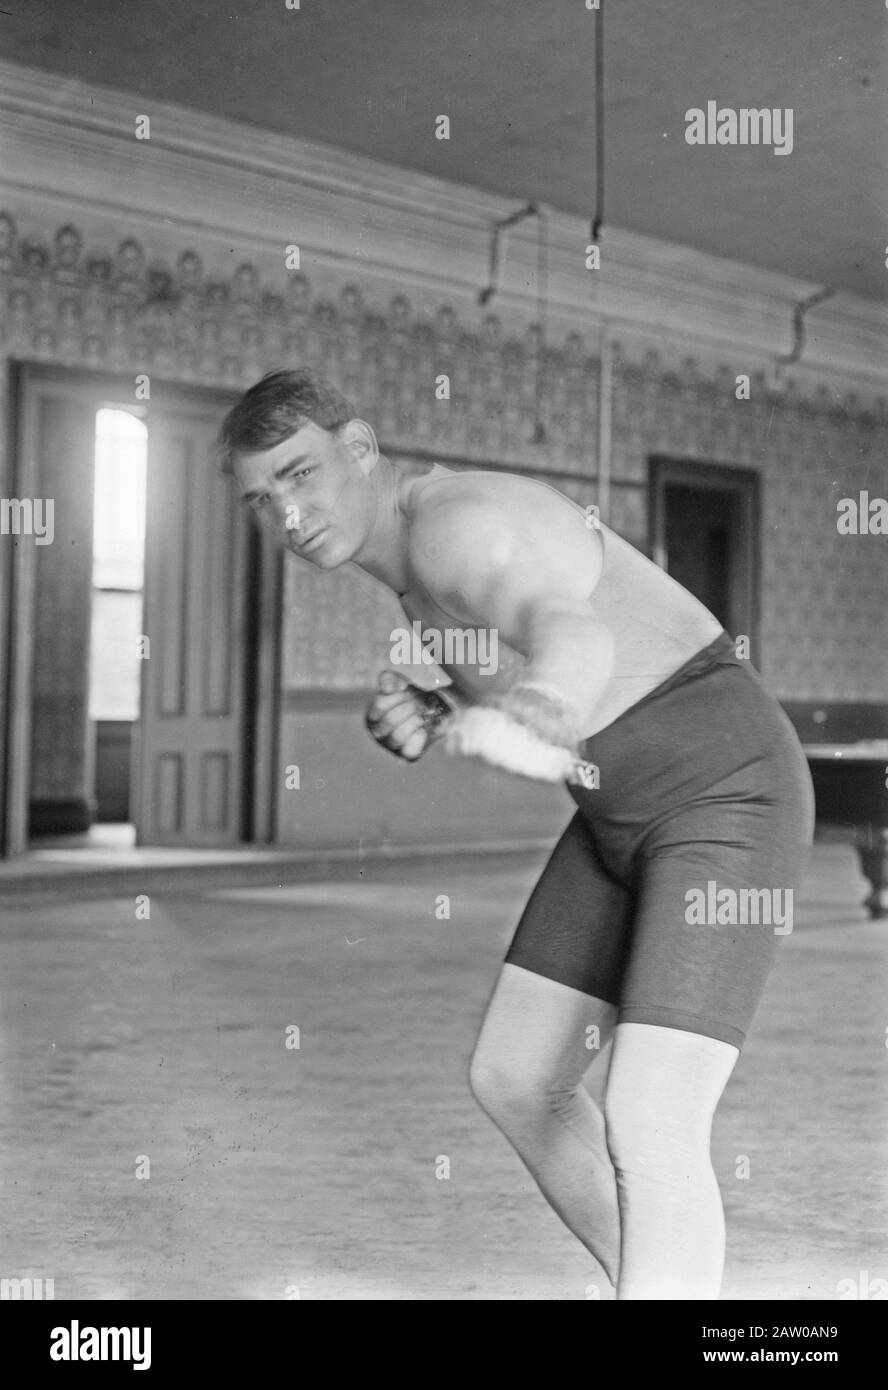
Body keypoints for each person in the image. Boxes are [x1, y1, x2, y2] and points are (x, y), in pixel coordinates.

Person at [219, 367, 814, 1300]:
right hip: (619, 816)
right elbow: (498, 652)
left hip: (725, 791)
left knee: (652, 1116)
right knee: (515, 1076)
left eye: (300, 474)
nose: (286, 514)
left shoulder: (460, 525)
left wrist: (541, 705)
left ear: (362, 447)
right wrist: (431, 707)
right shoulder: (410, 578)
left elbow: (575, 637)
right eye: (263, 498)